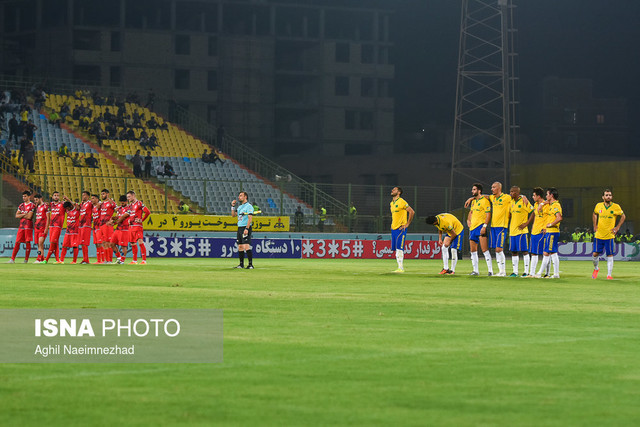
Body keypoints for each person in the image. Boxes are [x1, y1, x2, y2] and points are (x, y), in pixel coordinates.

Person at [592, 189, 626, 280]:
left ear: (612, 197)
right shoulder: (598, 206)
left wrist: (617, 227)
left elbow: (623, 216)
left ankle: (609, 275)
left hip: (609, 235)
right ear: (603, 197)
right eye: (606, 195)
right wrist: (595, 226)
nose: (608, 197)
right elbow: (594, 214)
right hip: (599, 235)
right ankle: (596, 269)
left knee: (609, 255)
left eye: (610, 195)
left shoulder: (616, 207)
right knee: (595, 254)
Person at [534, 188, 563, 279]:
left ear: (551, 195)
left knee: (549, 252)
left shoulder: (556, 205)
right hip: (550, 232)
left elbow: (559, 218)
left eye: (547, 194)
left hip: (552, 232)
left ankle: (542, 273)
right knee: (550, 253)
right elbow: (546, 202)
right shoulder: (552, 204)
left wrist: (551, 224)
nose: (546, 196)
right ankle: (553, 274)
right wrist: (542, 204)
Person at [466, 183, 493, 276]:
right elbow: (471, 212)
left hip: (480, 227)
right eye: (472, 189)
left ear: (479, 191)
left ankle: (490, 271)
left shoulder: (485, 201)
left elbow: (488, 214)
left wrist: (484, 226)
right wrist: (468, 220)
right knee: (473, 250)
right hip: (473, 228)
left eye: (474, 189)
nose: (472, 191)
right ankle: (475, 271)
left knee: (484, 250)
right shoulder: (473, 201)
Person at [508, 186, 533, 277]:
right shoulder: (511, 202)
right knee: (514, 251)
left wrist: (526, 224)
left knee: (524, 251)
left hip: (522, 231)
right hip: (512, 231)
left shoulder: (524, 201)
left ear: (517, 193)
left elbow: (533, 211)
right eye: (510, 191)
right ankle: (515, 272)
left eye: (513, 192)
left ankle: (526, 272)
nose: (511, 193)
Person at [389, 186, 415, 273]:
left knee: (400, 248)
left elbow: (412, 211)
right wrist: (392, 225)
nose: (392, 190)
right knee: (396, 248)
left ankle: (401, 268)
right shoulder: (392, 203)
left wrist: (407, 224)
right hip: (394, 228)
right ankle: (399, 267)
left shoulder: (402, 201)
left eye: (394, 189)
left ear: (399, 192)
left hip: (401, 228)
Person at [526, 187, 547, 278]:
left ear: (538, 196)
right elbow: (535, 216)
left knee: (545, 253)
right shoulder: (535, 205)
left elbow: (548, 217)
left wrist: (546, 227)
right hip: (535, 231)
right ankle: (532, 273)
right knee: (533, 252)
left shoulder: (546, 205)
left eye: (534, 195)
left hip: (542, 231)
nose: (533, 197)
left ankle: (547, 273)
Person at [8, 190, 35, 263]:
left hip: (28, 227)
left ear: (29, 196)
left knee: (27, 242)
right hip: (21, 226)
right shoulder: (21, 205)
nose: (24, 197)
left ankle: (26, 260)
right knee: (17, 242)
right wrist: (24, 214)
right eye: (23, 196)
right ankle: (12, 259)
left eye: (25, 196)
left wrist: (21, 214)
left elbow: (29, 217)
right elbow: (16, 215)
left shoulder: (32, 205)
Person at [231, 191, 255, 269]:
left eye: (241, 195)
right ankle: (241, 264)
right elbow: (233, 215)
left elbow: (250, 218)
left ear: (245, 197)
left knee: (246, 245)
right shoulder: (240, 207)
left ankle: (250, 264)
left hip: (245, 227)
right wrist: (233, 206)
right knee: (240, 246)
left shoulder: (249, 206)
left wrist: (247, 228)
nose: (239, 197)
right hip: (240, 227)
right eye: (239, 196)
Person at [126, 190, 151, 264]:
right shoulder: (130, 206)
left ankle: (144, 260)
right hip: (131, 226)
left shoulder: (139, 203)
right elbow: (130, 215)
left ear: (133, 195)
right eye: (127, 197)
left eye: (129, 196)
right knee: (132, 243)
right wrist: (128, 220)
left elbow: (147, 212)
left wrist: (141, 220)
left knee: (140, 242)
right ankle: (134, 260)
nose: (128, 198)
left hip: (137, 226)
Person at [45, 191, 65, 263]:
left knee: (53, 242)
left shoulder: (62, 204)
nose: (56, 197)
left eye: (57, 195)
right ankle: (57, 260)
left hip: (58, 226)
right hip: (51, 226)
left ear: (59, 197)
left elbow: (72, 206)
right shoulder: (51, 205)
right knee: (55, 243)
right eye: (55, 195)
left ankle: (46, 259)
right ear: (52, 197)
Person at [112, 195, 132, 264]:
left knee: (123, 246)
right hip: (118, 229)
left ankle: (122, 260)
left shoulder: (129, 208)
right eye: (121, 203)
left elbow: (123, 217)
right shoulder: (120, 209)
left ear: (126, 202)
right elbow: (117, 216)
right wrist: (113, 219)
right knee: (112, 243)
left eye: (123, 203)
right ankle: (118, 257)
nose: (122, 204)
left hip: (125, 229)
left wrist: (116, 221)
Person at [99, 189, 117, 263]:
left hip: (108, 225)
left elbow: (119, 211)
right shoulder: (102, 204)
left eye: (103, 194)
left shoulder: (111, 203)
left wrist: (113, 220)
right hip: (102, 225)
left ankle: (110, 260)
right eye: (101, 194)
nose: (102, 195)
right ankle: (106, 260)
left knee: (109, 243)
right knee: (104, 242)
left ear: (107, 194)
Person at [32, 194, 50, 263]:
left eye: (36, 200)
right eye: (34, 200)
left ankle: (38, 259)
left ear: (40, 199)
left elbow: (48, 218)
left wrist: (46, 228)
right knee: (39, 244)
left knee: (40, 243)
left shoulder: (45, 206)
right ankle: (42, 258)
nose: (35, 201)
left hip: (43, 228)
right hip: (37, 228)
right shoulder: (37, 207)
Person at [78, 191, 93, 264]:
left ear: (88, 196)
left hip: (86, 225)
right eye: (82, 195)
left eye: (84, 195)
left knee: (84, 243)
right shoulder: (82, 204)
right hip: (81, 225)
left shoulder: (90, 203)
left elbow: (97, 204)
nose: (83, 196)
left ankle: (86, 260)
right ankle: (85, 259)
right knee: (82, 243)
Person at [90, 194, 104, 264]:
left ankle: (103, 259)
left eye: (93, 198)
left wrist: (100, 203)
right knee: (96, 244)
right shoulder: (93, 207)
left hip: (99, 227)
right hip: (94, 227)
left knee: (100, 243)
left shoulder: (100, 205)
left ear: (97, 199)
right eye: (91, 198)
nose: (91, 200)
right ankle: (99, 260)